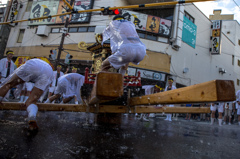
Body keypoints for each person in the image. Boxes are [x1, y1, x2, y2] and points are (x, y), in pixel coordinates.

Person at [0, 58, 53, 130]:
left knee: (8, 85)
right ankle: (32, 117)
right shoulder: (47, 68)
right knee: (32, 101)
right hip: (48, 72)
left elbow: (8, 82)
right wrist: (28, 101)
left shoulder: (26, 65)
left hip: (32, 66)